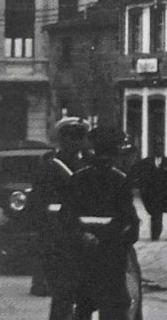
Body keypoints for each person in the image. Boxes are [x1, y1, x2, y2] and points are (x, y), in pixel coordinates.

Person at [61, 125, 141, 320]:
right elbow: (131, 227)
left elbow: (66, 220)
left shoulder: (77, 179)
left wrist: (82, 236)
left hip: (84, 260)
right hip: (111, 263)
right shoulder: (121, 181)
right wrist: (113, 241)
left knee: (82, 308)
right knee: (114, 310)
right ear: (115, 155)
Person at [28, 116, 89, 318]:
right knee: (62, 297)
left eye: (80, 136)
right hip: (57, 241)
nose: (75, 142)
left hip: (83, 240)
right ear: (61, 140)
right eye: (70, 137)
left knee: (84, 299)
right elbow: (37, 205)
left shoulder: (87, 167)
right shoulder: (49, 168)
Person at [130, 145, 167, 241]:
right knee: (154, 213)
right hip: (150, 192)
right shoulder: (146, 162)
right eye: (157, 149)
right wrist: (140, 184)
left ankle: (155, 234)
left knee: (157, 214)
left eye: (160, 149)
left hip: (162, 192)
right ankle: (155, 233)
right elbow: (136, 171)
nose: (159, 151)